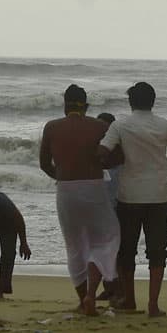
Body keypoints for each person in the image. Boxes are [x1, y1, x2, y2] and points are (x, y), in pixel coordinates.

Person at [98, 82, 167, 317]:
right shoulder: (165, 125)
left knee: (126, 251)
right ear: (153, 101)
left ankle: (129, 300)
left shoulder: (120, 125)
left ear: (130, 102)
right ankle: (153, 305)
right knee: (157, 251)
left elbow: (103, 152)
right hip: (158, 194)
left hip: (130, 195)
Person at [39, 84, 120, 315]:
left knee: (74, 246)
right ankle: (91, 295)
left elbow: (44, 164)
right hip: (94, 188)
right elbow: (116, 157)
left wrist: (63, 176)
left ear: (65, 105)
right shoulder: (100, 126)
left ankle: (81, 299)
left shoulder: (52, 127)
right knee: (105, 239)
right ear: (86, 106)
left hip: (65, 190)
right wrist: (98, 165)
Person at [95, 111, 121, 302]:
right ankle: (109, 287)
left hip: (119, 205)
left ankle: (118, 289)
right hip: (101, 206)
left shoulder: (119, 150)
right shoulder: (96, 149)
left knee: (118, 250)